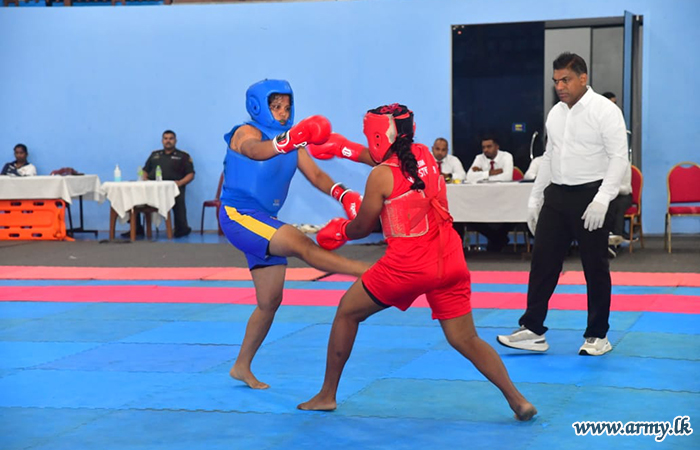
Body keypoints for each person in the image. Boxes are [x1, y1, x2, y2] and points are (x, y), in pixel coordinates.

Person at [297, 104, 537, 421]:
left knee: (347, 312)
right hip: (450, 259)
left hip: (407, 266)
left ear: (379, 136)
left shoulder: (380, 177)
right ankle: (518, 400)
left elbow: (363, 227)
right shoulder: (423, 154)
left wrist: (339, 230)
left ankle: (327, 395)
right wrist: (345, 149)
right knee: (466, 338)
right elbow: (388, 161)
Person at [220, 79, 372, 390]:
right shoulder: (246, 132)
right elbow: (255, 151)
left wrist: (343, 194)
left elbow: (315, 175)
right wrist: (287, 140)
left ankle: (241, 365)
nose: (283, 112)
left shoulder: (292, 142)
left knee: (270, 301)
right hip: (239, 215)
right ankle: (368, 271)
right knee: (301, 244)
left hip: (263, 219)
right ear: (258, 107)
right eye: (276, 106)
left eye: (287, 107)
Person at [497, 52, 628, 356]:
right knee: (543, 262)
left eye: (566, 80)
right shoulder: (555, 113)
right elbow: (549, 157)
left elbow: (619, 158)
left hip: (591, 195)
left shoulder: (605, 111)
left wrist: (602, 198)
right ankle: (533, 329)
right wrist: (535, 197)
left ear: (583, 78)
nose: (559, 86)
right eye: (556, 81)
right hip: (557, 195)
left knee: (595, 266)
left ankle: (598, 335)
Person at [142, 130, 195, 238]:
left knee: (178, 198)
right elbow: (145, 170)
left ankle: (181, 229)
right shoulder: (154, 155)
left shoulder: (183, 156)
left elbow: (191, 174)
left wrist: (180, 183)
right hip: (153, 187)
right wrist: (145, 179)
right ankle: (137, 229)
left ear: (175, 141)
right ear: (162, 141)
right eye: (165, 138)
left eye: (171, 138)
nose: (168, 141)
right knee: (136, 198)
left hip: (174, 187)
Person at [466, 135, 514, 251]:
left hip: (504, 199)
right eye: (483, 147)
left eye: (489, 146)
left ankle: (496, 239)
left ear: (497, 147)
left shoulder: (506, 156)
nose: (486, 150)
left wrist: (481, 176)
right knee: (468, 215)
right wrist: (489, 173)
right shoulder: (479, 158)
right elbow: (469, 177)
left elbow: (507, 177)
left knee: (515, 213)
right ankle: (498, 238)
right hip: (483, 200)